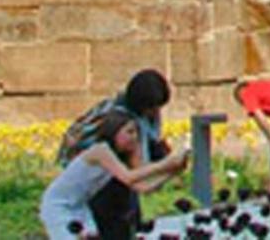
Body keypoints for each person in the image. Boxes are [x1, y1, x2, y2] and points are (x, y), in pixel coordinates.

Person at [41, 112, 187, 239]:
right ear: (114, 131)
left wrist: (172, 172)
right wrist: (166, 163)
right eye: (129, 132)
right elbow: (129, 177)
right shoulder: (100, 151)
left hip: (80, 205)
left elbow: (141, 187)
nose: (134, 137)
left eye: (136, 132)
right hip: (58, 206)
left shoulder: (120, 156)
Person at [83, 69, 181, 239]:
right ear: (142, 105)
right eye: (153, 108)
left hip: (117, 185)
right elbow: (139, 177)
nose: (156, 113)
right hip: (101, 189)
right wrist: (169, 166)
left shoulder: (135, 114)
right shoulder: (124, 123)